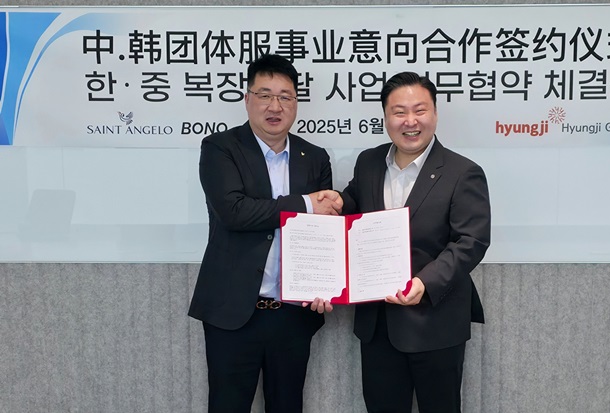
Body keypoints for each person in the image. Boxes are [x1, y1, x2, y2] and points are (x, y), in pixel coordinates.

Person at [188, 53, 339, 413]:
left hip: (292, 314)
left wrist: (326, 285)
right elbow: (234, 212)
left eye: (285, 96)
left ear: (296, 103)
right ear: (247, 99)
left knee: (287, 406)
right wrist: (305, 204)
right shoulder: (221, 148)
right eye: (265, 95)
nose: (275, 106)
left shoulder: (314, 157)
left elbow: (323, 233)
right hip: (233, 312)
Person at [338, 71, 491, 413]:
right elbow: (354, 204)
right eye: (399, 112)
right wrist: (335, 202)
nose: (410, 121)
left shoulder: (462, 172)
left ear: (435, 113)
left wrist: (424, 282)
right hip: (378, 323)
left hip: (435, 322)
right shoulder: (369, 162)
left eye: (420, 110)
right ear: (385, 117)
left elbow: (472, 240)